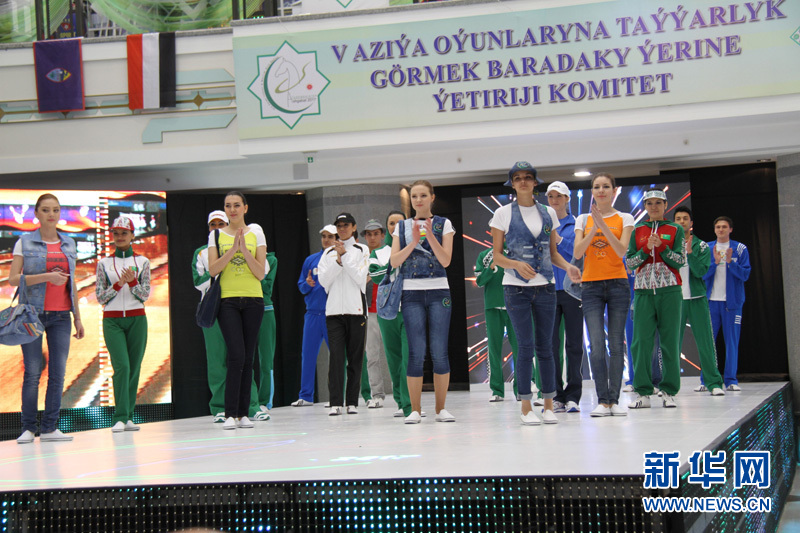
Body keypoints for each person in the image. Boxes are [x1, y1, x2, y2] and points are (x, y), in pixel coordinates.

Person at [490, 162, 581, 426]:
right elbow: (497, 256)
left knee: (546, 348)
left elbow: (552, 254)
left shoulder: (548, 213)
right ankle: (526, 407)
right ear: (512, 183)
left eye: (528, 177)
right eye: (518, 178)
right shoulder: (502, 214)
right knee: (524, 346)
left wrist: (569, 267)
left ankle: (549, 405)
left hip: (545, 287)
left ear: (534, 182)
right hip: (515, 287)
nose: (523, 181)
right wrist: (516, 264)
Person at [10, 193, 85, 444]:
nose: (51, 214)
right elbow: (12, 279)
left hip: (62, 316)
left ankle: (50, 428)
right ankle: (28, 428)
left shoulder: (69, 243)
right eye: (45, 210)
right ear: (36, 213)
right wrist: (46, 277)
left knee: (58, 374)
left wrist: (77, 318)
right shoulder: (24, 242)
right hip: (31, 314)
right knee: (32, 373)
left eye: (55, 210)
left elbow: (72, 284)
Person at [391, 181, 457, 424]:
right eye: (414, 196)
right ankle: (415, 410)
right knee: (415, 352)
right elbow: (394, 261)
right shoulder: (402, 226)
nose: (418, 200)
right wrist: (412, 242)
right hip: (411, 293)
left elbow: (446, 260)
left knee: (439, 351)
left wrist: (430, 235)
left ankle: (441, 409)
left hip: (439, 291)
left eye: (423, 195)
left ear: (432, 198)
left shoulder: (443, 224)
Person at [192, 211, 267, 423]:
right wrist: (219, 271)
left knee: (244, 357)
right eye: (212, 224)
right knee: (218, 360)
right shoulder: (202, 252)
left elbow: (263, 270)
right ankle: (219, 407)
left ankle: (251, 406)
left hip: (245, 300)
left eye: (220, 223)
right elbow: (198, 281)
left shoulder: (250, 237)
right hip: (215, 306)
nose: (216, 227)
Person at [573, 173, 634, 417]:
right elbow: (578, 252)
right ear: (592, 191)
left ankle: (614, 399)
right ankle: (602, 400)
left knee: (616, 344)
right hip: (591, 287)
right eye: (597, 187)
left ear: (614, 191)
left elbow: (621, 250)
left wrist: (604, 226)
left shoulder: (625, 218)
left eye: (606, 186)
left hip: (618, 284)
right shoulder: (583, 219)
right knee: (596, 345)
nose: (601, 190)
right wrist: (594, 228)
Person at [626, 189, 685, 409]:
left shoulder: (675, 229)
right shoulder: (637, 231)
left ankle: (669, 391)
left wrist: (661, 247)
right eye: (649, 203)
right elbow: (630, 262)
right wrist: (646, 249)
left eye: (658, 203)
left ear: (666, 205)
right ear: (645, 206)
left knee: (669, 342)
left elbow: (680, 260)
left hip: (670, 291)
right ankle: (643, 392)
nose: (654, 207)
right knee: (641, 343)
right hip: (642, 291)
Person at [95, 216, 151, 432]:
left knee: (134, 369)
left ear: (132, 235)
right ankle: (119, 416)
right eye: (116, 233)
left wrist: (133, 282)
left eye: (124, 233)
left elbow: (145, 295)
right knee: (122, 367)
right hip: (112, 320)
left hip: (137, 319)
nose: (119, 237)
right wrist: (118, 284)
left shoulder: (143, 262)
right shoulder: (104, 264)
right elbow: (100, 297)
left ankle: (128, 417)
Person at [318, 213, 370, 415]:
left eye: (346, 225)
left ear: (354, 227)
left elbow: (360, 277)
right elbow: (324, 281)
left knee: (355, 358)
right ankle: (335, 403)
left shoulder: (362, 250)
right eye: (339, 226)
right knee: (336, 358)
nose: (342, 229)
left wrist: (345, 256)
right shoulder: (328, 253)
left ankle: (352, 402)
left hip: (356, 312)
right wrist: (338, 261)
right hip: (333, 313)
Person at [672, 206, 725, 396]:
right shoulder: (668, 244)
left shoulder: (701, 246)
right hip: (675, 300)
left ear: (691, 223)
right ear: (674, 222)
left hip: (697, 299)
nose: (682, 221)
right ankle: (668, 385)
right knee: (670, 344)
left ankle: (714, 383)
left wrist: (690, 254)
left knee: (705, 343)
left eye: (685, 218)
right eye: (678, 218)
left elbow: (702, 271)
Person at [369, 210, 413, 418]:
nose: (395, 227)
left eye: (399, 223)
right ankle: (400, 402)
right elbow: (376, 276)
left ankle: (410, 403)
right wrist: (395, 260)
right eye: (391, 223)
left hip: (412, 310)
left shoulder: (415, 247)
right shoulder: (378, 253)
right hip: (387, 312)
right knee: (394, 360)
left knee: (409, 358)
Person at [545, 181, 583, 414]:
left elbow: (579, 254)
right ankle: (556, 395)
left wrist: (559, 240)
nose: (554, 200)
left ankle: (573, 395)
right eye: (550, 196)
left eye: (559, 196)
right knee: (550, 345)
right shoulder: (542, 224)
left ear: (567, 199)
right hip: (547, 290)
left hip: (573, 291)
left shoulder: (577, 224)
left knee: (574, 344)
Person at [703, 216, 751, 391]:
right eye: (718, 227)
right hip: (711, 302)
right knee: (708, 343)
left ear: (730, 229)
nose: (721, 229)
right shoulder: (707, 248)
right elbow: (700, 274)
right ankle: (705, 380)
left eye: (724, 227)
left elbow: (745, 274)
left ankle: (731, 380)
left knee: (732, 342)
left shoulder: (740, 248)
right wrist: (715, 264)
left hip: (732, 303)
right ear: (714, 229)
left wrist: (731, 263)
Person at [291, 225, 336, 406]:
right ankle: (306, 396)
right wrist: (308, 284)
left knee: (337, 358)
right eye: (324, 236)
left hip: (333, 315)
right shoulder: (311, 260)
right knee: (308, 356)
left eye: (330, 236)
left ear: (336, 238)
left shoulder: (340, 259)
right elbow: (301, 286)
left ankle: (337, 397)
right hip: (312, 314)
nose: (326, 240)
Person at [474, 236, 518, 402]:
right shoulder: (485, 255)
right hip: (493, 307)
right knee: (494, 349)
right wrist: (491, 267)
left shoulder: (515, 252)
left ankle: (521, 389)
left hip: (514, 306)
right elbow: (479, 281)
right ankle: (497, 390)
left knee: (519, 348)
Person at [362, 219, 393, 409]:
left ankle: (402, 394)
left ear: (382, 235)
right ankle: (377, 394)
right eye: (369, 234)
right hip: (369, 312)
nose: (372, 238)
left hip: (389, 310)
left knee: (395, 354)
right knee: (371, 356)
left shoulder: (389, 253)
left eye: (376, 234)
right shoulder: (360, 257)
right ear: (365, 237)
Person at [254, 224, 278, 417]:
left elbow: (266, 288)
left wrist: (254, 271)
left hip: (265, 310)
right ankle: (247, 400)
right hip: (242, 309)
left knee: (266, 358)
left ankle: (264, 401)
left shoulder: (271, 260)